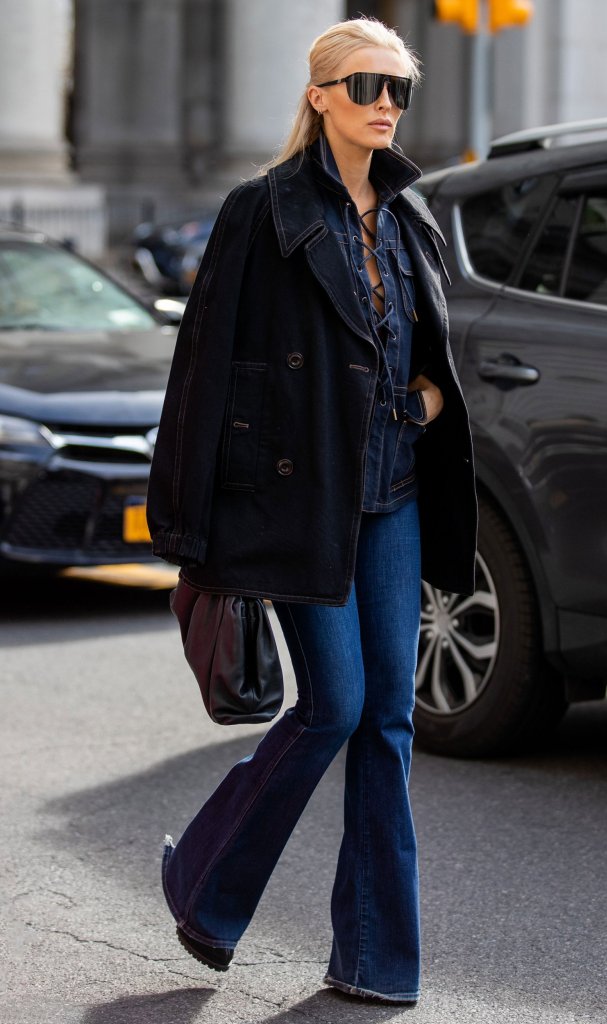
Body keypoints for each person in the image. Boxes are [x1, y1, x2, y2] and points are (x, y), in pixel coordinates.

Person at [147, 16, 477, 1005]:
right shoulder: (263, 212)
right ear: (321, 95)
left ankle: (373, 957)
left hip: (392, 494)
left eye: (398, 91)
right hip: (298, 497)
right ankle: (202, 881)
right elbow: (204, 365)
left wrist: (423, 399)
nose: (385, 106)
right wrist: (188, 526)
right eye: (368, 87)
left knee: (387, 721)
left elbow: (428, 353)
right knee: (331, 706)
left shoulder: (410, 214)